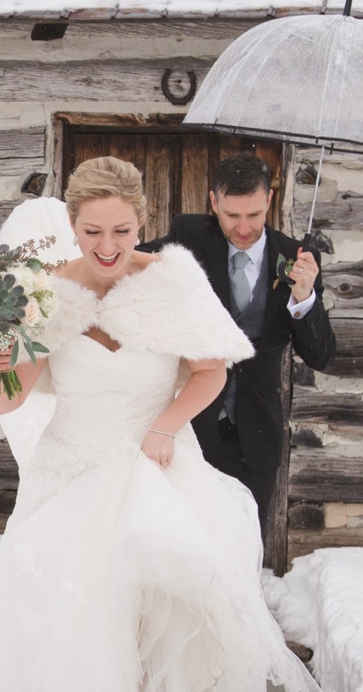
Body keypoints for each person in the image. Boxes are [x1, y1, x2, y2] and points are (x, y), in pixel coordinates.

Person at [0, 156, 320, 692]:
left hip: (148, 463)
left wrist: (167, 424)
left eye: (122, 229)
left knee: (136, 626)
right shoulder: (46, 290)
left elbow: (211, 370)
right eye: (92, 230)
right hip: (70, 469)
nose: (107, 245)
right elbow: (13, 396)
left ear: (143, 222)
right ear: (71, 226)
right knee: (73, 623)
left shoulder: (171, 278)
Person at [139, 153, 336, 537]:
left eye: (254, 215)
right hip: (192, 430)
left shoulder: (295, 258)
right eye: (232, 216)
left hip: (257, 434)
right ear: (214, 203)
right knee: (187, 540)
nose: (244, 228)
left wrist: (304, 297)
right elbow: (133, 261)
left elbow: (321, 355)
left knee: (246, 545)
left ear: (270, 201)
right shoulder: (190, 236)